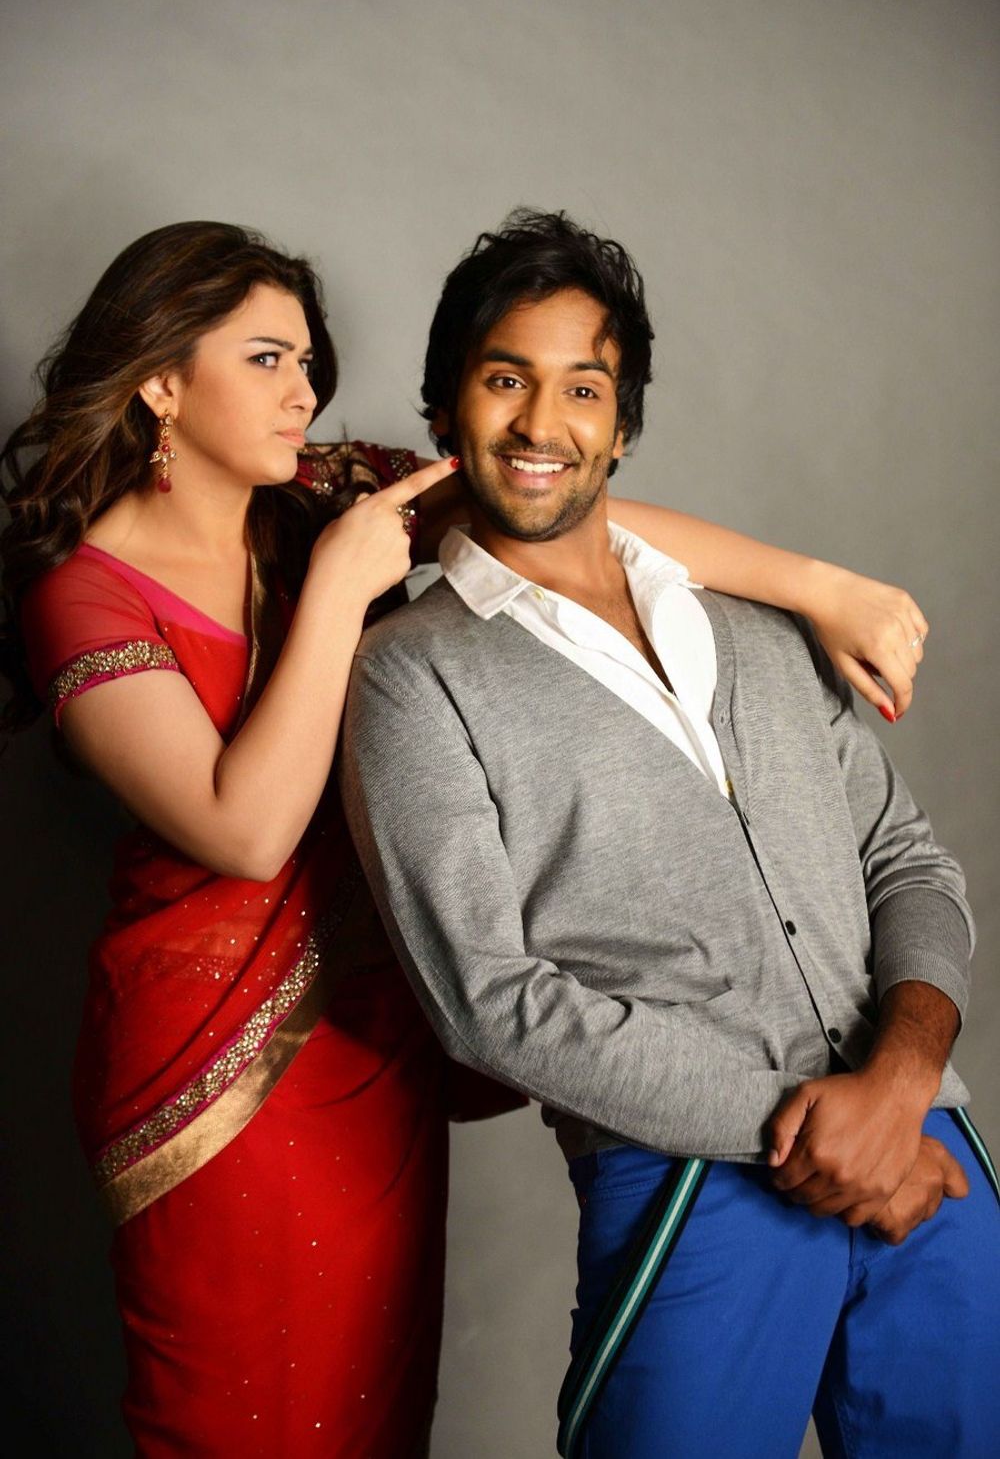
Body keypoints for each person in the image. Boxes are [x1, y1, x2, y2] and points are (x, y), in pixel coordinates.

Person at [0, 219, 933, 1457]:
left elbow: (565, 510)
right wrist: (339, 588)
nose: (306, 392)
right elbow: (246, 829)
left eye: (307, 362)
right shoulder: (84, 593)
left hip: (370, 1037)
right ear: (162, 382)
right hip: (212, 1067)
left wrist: (821, 586)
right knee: (235, 1410)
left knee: (373, 1408)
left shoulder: (321, 496)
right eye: (268, 359)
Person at [342, 209, 1000, 1459]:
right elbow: (487, 998)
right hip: (690, 1184)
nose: (542, 423)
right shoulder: (411, 674)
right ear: (443, 410)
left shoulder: (757, 627)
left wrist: (901, 1083)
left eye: (582, 387)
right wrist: (814, 1125)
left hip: (924, 1147)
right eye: (504, 379)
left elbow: (906, 859)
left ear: (623, 425)